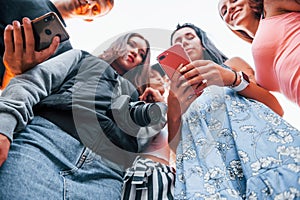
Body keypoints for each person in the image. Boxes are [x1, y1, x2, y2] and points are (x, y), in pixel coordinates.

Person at [0, 32, 166, 199]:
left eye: (142, 54)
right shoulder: (82, 58)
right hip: (47, 144)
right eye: (132, 44)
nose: (135, 52)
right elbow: (32, 82)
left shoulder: (139, 99)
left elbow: (141, 143)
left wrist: (158, 114)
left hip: (105, 176)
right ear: (118, 44)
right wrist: (4, 128)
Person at [167, 23, 300, 199]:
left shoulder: (232, 64)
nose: (184, 43)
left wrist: (232, 79)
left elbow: (275, 107)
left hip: (258, 150)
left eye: (190, 37)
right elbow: (176, 148)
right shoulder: (175, 92)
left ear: (203, 43)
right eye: (177, 42)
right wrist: (173, 110)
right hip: (211, 168)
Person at [0, 0, 114, 89]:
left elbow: (8, 87)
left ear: (89, 19)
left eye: (95, 9)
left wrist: (12, 72)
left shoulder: (64, 53)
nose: (89, 3)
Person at [218, 0, 300, 106]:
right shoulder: (259, 56)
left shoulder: (271, 4)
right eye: (224, 12)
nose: (230, 9)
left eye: (234, 0)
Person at [122, 63, 176, 200]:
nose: (159, 79)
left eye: (161, 76)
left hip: (170, 177)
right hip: (144, 174)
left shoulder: (174, 110)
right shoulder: (141, 109)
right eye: (152, 76)